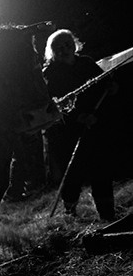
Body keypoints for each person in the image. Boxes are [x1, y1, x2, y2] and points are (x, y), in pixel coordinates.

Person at [43, 29, 117, 221]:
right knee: (72, 173)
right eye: (58, 47)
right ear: (52, 51)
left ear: (75, 44)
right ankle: (70, 212)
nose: (65, 49)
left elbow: (105, 83)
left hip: (94, 125)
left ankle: (107, 213)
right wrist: (78, 117)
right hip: (67, 132)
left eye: (68, 44)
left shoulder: (86, 63)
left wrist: (111, 87)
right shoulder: (49, 74)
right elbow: (52, 104)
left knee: (100, 168)